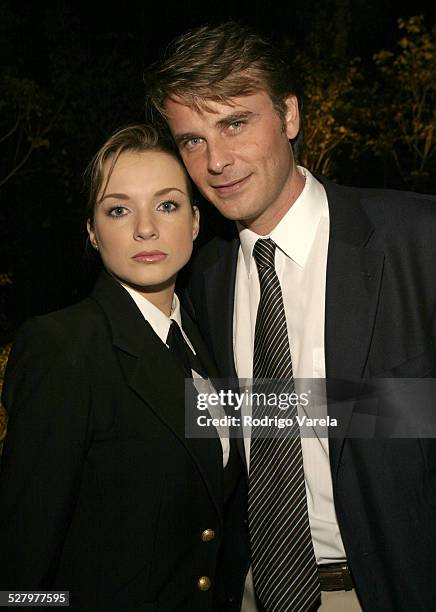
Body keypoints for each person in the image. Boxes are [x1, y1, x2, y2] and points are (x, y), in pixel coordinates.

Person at [144, 22, 436, 612]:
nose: (217, 161)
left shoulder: (418, 239)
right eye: (192, 140)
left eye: (235, 123)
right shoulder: (200, 277)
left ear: (290, 117)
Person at [0, 124, 249, 611]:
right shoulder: (64, 346)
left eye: (167, 204)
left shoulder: (207, 339)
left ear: (196, 221)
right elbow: (19, 563)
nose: (145, 228)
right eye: (118, 210)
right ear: (92, 232)